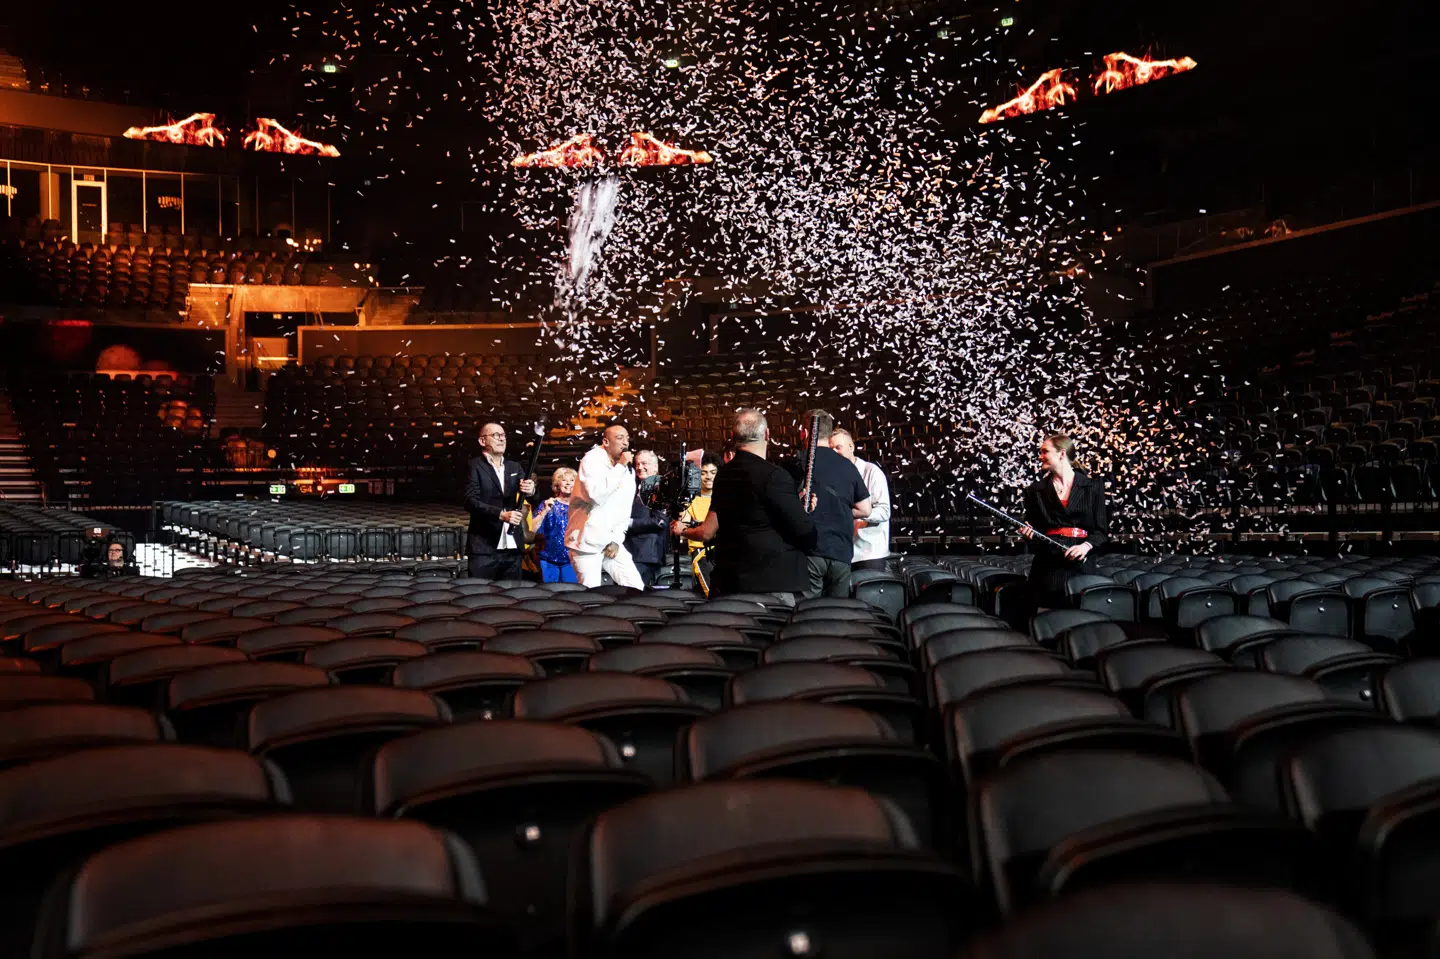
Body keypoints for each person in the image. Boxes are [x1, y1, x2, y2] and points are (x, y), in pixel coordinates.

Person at [675, 408, 817, 597]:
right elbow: (804, 532)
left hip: (729, 582)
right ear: (767, 434)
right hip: (773, 584)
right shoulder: (775, 476)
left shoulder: (723, 476)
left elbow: (711, 529)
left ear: (733, 436)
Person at [1018, 432, 1110, 608]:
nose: (1040, 456)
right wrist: (1029, 536)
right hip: (1047, 567)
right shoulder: (1034, 491)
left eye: (1045, 451)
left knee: (1083, 619)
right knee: (1048, 620)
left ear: (1061, 454)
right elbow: (1035, 541)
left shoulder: (1092, 487)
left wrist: (1085, 546)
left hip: (1082, 566)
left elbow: (1101, 532)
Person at [792, 409, 871, 598]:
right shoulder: (848, 466)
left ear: (804, 432)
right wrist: (839, 510)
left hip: (810, 553)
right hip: (841, 554)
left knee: (808, 615)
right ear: (829, 434)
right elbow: (865, 508)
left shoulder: (798, 463)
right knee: (836, 616)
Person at [565, 424, 645, 589]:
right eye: (619, 438)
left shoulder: (627, 471)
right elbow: (597, 495)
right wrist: (620, 466)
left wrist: (616, 539)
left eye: (627, 439)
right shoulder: (592, 460)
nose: (625, 443)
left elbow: (624, 510)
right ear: (606, 442)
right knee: (591, 593)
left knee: (635, 587)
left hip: (611, 540)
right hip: (586, 542)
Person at [464, 422, 539, 579]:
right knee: (481, 596)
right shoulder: (473, 466)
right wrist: (501, 515)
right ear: (482, 441)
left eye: (503, 435)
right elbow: (470, 501)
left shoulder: (514, 467)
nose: (501, 439)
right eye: (495, 435)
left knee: (511, 598)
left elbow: (532, 494)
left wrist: (530, 488)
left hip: (513, 548)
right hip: (484, 548)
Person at [829, 428, 891, 570]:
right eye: (831, 449)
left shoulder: (872, 472)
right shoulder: (833, 475)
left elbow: (885, 511)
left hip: (869, 553)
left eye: (838, 447)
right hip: (842, 552)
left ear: (851, 447)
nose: (834, 453)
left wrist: (859, 513)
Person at [626, 449, 669, 587]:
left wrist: (630, 523)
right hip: (628, 551)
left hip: (646, 553)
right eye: (637, 464)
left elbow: (659, 521)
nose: (639, 467)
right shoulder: (632, 486)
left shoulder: (662, 487)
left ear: (655, 467)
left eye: (644, 463)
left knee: (636, 596)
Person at [530, 467, 578, 583]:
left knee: (571, 594)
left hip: (572, 561)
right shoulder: (548, 504)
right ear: (557, 484)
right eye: (564, 480)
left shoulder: (580, 507)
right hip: (548, 560)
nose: (568, 483)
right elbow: (531, 530)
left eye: (572, 480)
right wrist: (545, 510)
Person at [675, 452, 719, 554]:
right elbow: (681, 531)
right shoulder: (690, 501)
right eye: (703, 473)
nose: (709, 476)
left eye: (713, 472)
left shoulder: (724, 498)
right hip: (700, 553)